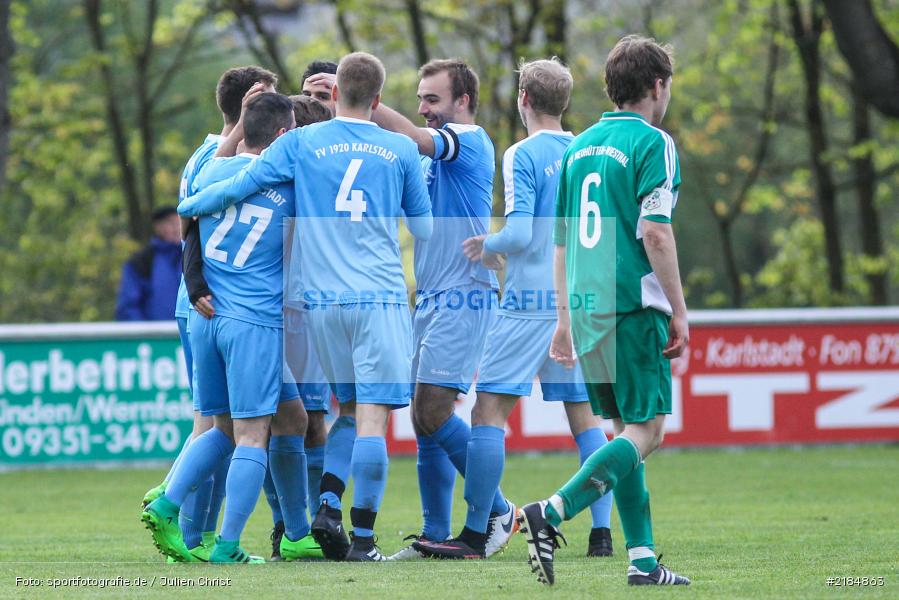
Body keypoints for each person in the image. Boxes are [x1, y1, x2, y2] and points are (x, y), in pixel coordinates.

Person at [178, 51, 433, 562]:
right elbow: (424, 229)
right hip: (375, 296)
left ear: (334, 93)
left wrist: (191, 205)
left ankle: (306, 518)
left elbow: (240, 181)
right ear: (380, 100)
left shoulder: (300, 143)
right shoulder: (400, 149)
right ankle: (358, 538)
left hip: (319, 303)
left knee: (305, 417)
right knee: (367, 417)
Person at [413, 58, 614, 560]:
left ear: (523, 99)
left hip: (529, 302)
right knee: (586, 419)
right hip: (580, 302)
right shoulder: (588, 150)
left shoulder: (522, 153)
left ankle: (480, 532)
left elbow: (521, 233)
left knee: (488, 412)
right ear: (564, 102)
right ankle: (602, 534)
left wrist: (490, 242)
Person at [318, 57, 514, 559]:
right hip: (427, 297)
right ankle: (433, 532)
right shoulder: (426, 161)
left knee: (431, 410)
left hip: (464, 294)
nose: (424, 109)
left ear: (463, 101)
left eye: (433, 99)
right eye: (421, 99)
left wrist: (360, 98)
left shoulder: (469, 140)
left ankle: (499, 509)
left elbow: (414, 138)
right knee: (424, 422)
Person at [516, 35, 690, 587]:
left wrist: (566, 317)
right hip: (633, 306)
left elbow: (561, 243)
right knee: (649, 430)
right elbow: (657, 234)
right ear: (658, 86)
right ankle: (552, 510)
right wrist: (680, 311)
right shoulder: (653, 143)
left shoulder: (579, 148)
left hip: (589, 309)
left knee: (623, 435)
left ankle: (642, 561)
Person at [143, 92, 306, 564]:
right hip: (252, 321)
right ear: (281, 135)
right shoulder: (290, 184)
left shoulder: (211, 170)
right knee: (254, 434)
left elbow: (188, 222)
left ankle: (167, 501)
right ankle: (229, 547)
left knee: (219, 427)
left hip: (204, 317)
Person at [114, 207, 182, 321]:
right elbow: (128, 306)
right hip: (155, 336)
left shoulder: (197, 256)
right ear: (158, 227)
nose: (177, 227)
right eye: (170, 223)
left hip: (193, 336)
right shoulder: (142, 261)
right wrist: (143, 335)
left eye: (180, 222)